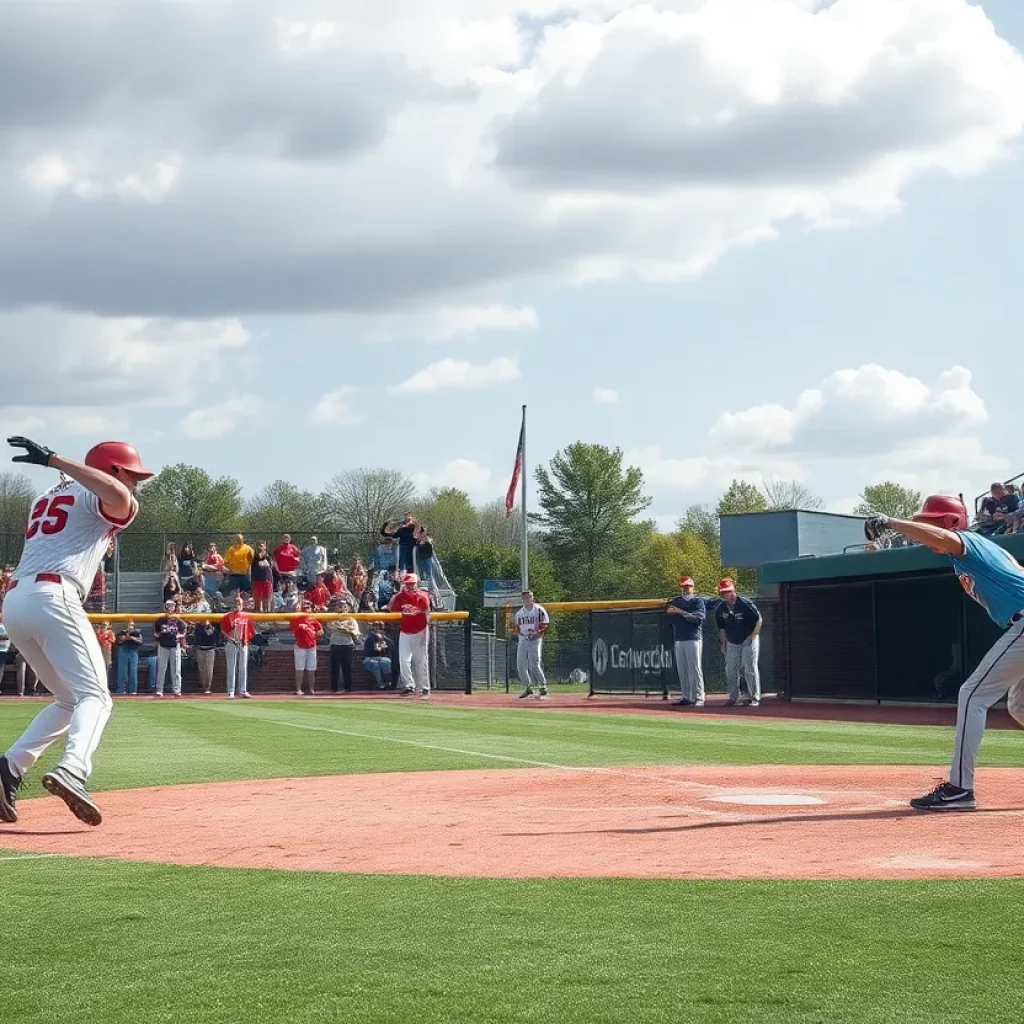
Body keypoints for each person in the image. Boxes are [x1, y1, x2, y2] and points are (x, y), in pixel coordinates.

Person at [0, 436, 153, 827]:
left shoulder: (47, 496)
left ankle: (8, 770)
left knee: (68, 700)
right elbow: (119, 496)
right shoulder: (94, 489)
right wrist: (54, 459)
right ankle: (73, 769)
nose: (135, 482)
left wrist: (57, 467)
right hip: (53, 594)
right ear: (113, 470)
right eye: (131, 474)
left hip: (16, 602)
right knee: (97, 698)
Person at [863, 497, 1024, 811]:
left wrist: (891, 523)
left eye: (932, 522)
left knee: (972, 695)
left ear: (951, 523)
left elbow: (944, 538)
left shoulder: (966, 542)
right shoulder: (982, 550)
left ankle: (960, 788)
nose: (926, 530)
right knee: (1019, 706)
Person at [715, 579, 761, 707]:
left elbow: (759, 619)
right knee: (730, 669)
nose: (726, 595)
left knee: (749, 668)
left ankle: (754, 697)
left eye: (729, 591)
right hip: (732, 641)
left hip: (748, 638)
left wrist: (754, 635)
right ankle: (734, 698)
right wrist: (723, 644)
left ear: (734, 590)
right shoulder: (720, 608)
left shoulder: (745, 603)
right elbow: (722, 628)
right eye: (723, 592)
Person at [666, 576, 706, 707]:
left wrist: (681, 613)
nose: (686, 588)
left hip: (693, 637)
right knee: (682, 669)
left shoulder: (697, 601)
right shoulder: (677, 601)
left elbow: (698, 619)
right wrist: (678, 613)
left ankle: (699, 697)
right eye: (684, 586)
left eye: (688, 586)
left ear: (693, 587)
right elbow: (671, 616)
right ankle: (686, 696)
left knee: (695, 668)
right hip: (679, 637)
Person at [389, 573, 431, 698]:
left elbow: (427, 610)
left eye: (412, 584)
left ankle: (425, 687)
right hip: (405, 631)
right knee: (404, 660)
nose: (410, 586)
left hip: (420, 630)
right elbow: (392, 608)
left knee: (421, 660)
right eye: (407, 584)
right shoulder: (399, 597)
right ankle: (409, 686)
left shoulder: (422, 596)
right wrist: (396, 595)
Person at [513, 590, 549, 699]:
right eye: (526, 598)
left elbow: (545, 625)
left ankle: (543, 686)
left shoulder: (539, 610)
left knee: (534, 662)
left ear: (532, 598)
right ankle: (528, 687)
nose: (528, 599)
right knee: (520, 663)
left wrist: (537, 634)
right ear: (523, 599)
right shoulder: (519, 613)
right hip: (523, 639)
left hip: (535, 638)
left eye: (530, 597)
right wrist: (521, 634)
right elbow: (516, 628)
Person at [220, 594, 255, 699]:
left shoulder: (246, 616)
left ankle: (243, 690)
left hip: (243, 643)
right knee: (231, 667)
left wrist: (245, 640)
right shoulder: (228, 616)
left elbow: (251, 631)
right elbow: (223, 630)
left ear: (242, 605)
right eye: (235, 603)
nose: (237, 605)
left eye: (239, 603)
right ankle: (231, 691)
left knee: (243, 667)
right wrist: (230, 638)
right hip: (232, 643)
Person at [153, 600, 187, 698]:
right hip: (163, 645)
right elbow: (156, 634)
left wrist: (181, 636)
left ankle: (177, 689)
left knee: (176, 669)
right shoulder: (160, 620)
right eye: (168, 606)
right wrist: (161, 633)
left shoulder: (177, 619)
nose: (170, 608)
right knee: (161, 669)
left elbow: (185, 627)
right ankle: (159, 689)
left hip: (174, 645)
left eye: (172, 606)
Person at [290, 600, 323, 696]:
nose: (307, 608)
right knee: (299, 668)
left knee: (311, 669)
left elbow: (321, 631)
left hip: (312, 646)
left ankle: (311, 689)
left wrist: (314, 633)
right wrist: (300, 626)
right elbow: (292, 629)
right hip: (300, 646)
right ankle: (298, 689)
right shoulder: (296, 618)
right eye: (305, 607)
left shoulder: (313, 618)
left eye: (309, 607)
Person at [329, 617, 361, 693]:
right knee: (334, 668)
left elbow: (355, 632)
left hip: (347, 645)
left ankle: (348, 688)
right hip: (335, 645)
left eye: (344, 606)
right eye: (339, 606)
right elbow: (330, 626)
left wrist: (346, 630)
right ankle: (334, 689)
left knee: (347, 668)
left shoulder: (352, 620)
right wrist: (345, 627)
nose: (342, 607)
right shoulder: (332, 617)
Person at [192, 617, 220, 694]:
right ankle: (203, 685)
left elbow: (212, 635)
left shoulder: (214, 626)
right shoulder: (198, 626)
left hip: (210, 649)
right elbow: (198, 635)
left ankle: (207, 687)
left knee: (209, 669)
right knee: (201, 668)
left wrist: (209, 626)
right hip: (200, 649)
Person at [115, 620, 143, 695]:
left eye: (132, 625)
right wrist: (124, 638)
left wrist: (131, 638)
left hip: (133, 653)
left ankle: (133, 690)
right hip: (123, 652)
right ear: (126, 625)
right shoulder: (121, 632)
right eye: (130, 625)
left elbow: (140, 642)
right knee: (122, 672)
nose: (131, 626)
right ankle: (121, 690)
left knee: (133, 672)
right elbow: (118, 642)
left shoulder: (137, 633)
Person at [362, 625, 392, 689]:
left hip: (379, 658)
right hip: (369, 659)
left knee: (387, 661)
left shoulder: (382, 639)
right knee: (376, 664)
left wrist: (385, 645)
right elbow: (377, 649)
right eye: (380, 632)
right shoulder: (372, 638)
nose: (382, 633)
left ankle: (388, 682)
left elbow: (385, 649)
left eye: (383, 632)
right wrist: (382, 646)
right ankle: (381, 685)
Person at [250, 541, 274, 613]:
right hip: (256, 580)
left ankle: (266, 616)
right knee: (257, 598)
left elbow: (268, 566)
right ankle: (257, 615)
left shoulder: (268, 556)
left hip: (266, 580)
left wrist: (264, 559)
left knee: (266, 598)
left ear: (265, 547)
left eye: (262, 546)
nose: (260, 547)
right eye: (259, 546)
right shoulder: (254, 557)